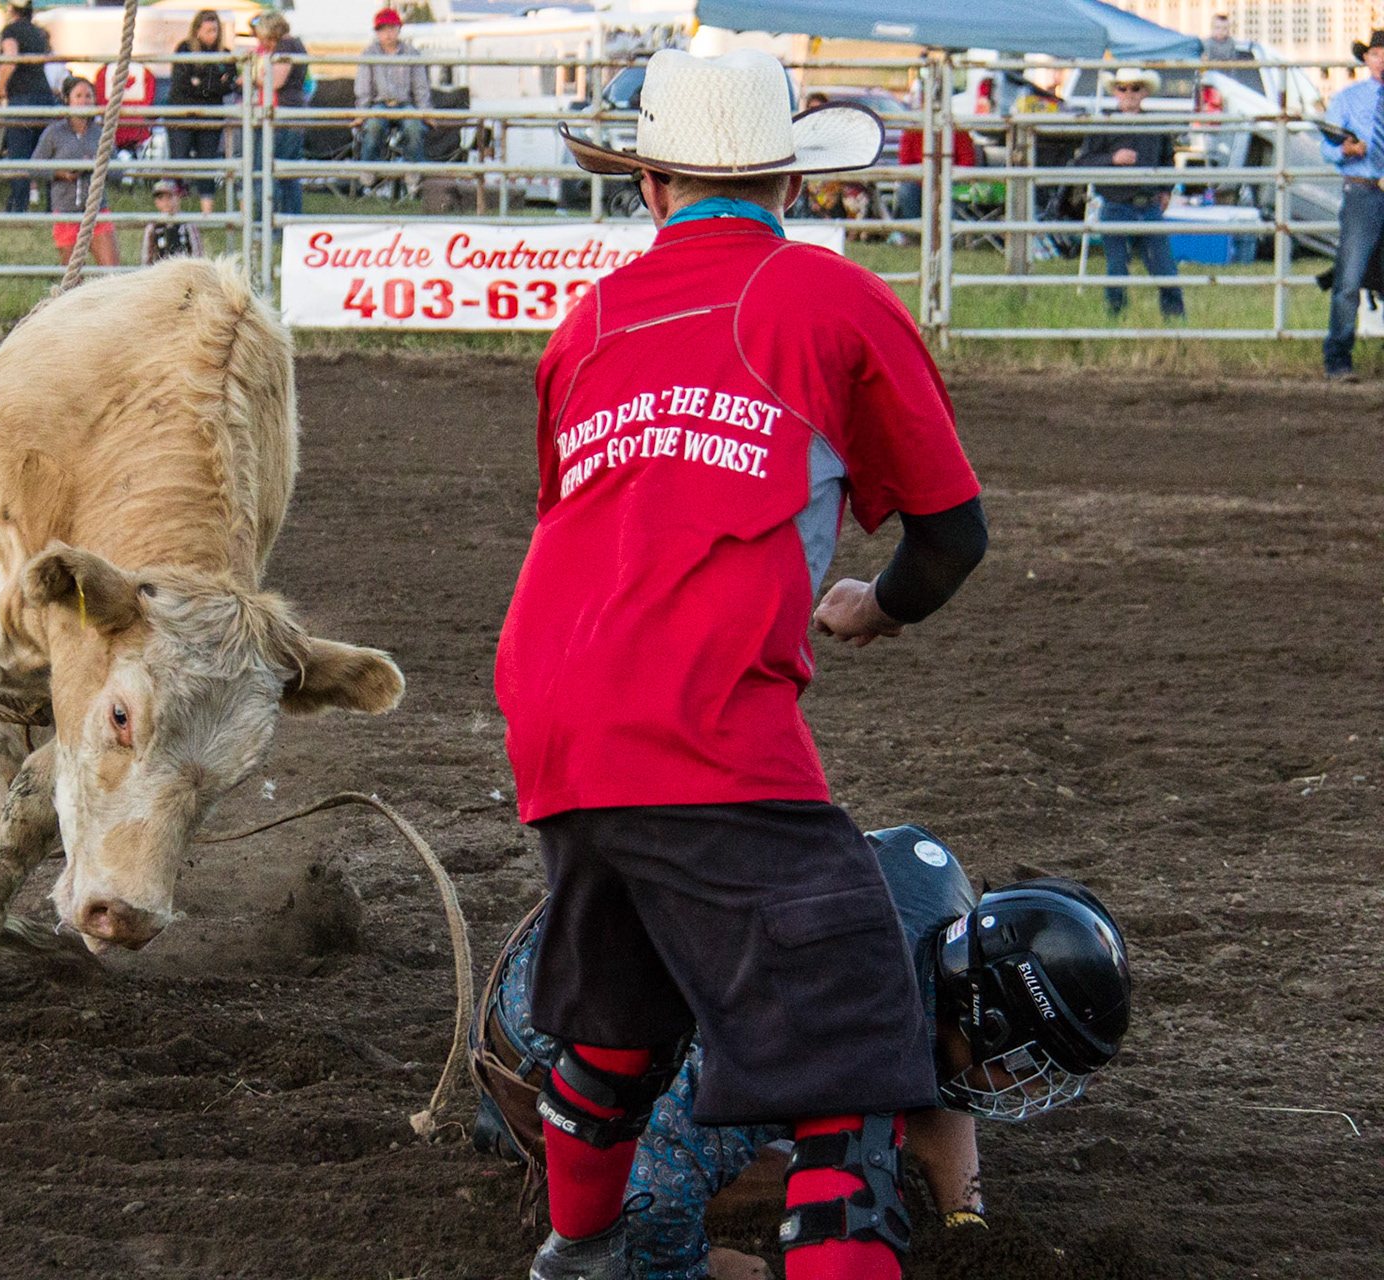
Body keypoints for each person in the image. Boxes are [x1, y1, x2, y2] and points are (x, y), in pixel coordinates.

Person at [494, 49, 988, 1280]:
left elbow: (581, 513)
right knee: (852, 1035)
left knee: (617, 1011)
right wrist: (879, 604)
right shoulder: (828, 297)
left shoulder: (588, 323)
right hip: (704, 716)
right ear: (792, 182)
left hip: (555, 707)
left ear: (651, 184)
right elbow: (953, 533)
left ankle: (581, 1248)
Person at [471, 828, 1133, 1280]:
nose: (1026, 1087)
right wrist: (698, 1268)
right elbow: (656, 1180)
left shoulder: (936, 909)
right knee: (789, 1175)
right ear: (989, 1023)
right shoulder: (814, 1029)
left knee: (901, 1084)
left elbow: (936, 1055)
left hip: (610, 929)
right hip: (551, 1019)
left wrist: (966, 1217)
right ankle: (527, 1137)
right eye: (1026, 1065)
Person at [1071, 68, 1184, 321]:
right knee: (1117, 268)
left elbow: (1168, 159)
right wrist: (1112, 158)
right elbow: (1083, 162)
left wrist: (1165, 189)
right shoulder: (1103, 124)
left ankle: (1175, 321)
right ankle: (1115, 319)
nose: (1129, 93)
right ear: (1115, 92)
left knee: (1165, 268)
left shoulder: (1156, 125)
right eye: (1123, 88)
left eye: (1135, 88)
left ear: (1144, 92)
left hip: (1149, 205)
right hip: (1116, 204)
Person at [1318, 30, 1384, 382]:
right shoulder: (1347, 99)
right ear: (1366, 59)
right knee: (1350, 276)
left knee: (1352, 272)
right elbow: (1326, 146)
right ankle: (1338, 356)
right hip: (1363, 188)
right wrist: (1344, 149)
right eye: (1376, 54)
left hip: (1367, 189)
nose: (1382, 61)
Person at [32, 75, 119, 269]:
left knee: (113, 272)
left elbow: (118, 173)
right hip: (66, 211)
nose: (84, 101)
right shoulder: (54, 133)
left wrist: (97, 168)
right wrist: (60, 173)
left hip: (97, 211)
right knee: (72, 276)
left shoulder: (101, 133)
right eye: (78, 96)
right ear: (67, 100)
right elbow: (34, 167)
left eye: (88, 96)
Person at [167, 8, 236, 220]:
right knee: (179, 160)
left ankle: (207, 214)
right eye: (208, 30)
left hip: (210, 116)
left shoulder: (225, 54)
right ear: (197, 30)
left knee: (207, 162)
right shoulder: (184, 49)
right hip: (182, 115)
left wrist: (200, 83)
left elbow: (229, 84)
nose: (212, 35)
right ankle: (173, 212)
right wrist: (213, 85)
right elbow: (183, 83)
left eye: (215, 30)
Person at [354, 7, 430, 188]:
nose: (387, 34)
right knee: (373, 126)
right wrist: (362, 113)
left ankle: (413, 168)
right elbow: (363, 86)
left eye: (391, 28)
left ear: (399, 29)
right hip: (379, 104)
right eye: (383, 29)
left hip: (405, 103)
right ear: (377, 32)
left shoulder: (411, 53)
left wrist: (426, 112)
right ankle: (368, 167)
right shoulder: (368, 53)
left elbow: (420, 86)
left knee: (414, 126)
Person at [249, 10, 308, 223]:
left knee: (268, 170)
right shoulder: (295, 44)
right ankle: (289, 224)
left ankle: (268, 224)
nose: (263, 43)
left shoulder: (285, 46)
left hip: (283, 115)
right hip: (292, 113)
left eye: (264, 37)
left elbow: (276, 81)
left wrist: (253, 77)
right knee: (287, 174)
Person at [0, 0, 56, 214]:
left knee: (20, 154)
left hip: (22, 96)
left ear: (12, 10)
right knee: (47, 152)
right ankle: (54, 206)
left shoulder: (11, 30)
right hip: (44, 95)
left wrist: (0, 86)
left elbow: (11, 59)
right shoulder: (38, 33)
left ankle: (18, 206)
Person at [142, 177, 203, 263]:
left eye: (169, 197)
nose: (165, 202)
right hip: (161, 269)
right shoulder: (153, 227)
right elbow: (147, 258)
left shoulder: (187, 224)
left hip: (184, 267)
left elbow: (198, 254)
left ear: (178, 197)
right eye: (160, 198)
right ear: (156, 202)